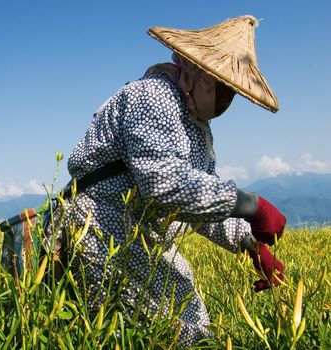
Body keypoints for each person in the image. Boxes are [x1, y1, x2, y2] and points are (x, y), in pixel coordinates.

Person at [62, 16, 286, 347]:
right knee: (166, 335)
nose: (226, 99)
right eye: (221, 85)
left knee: (193, 324)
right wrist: (251, 205)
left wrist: (251, 244)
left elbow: (197, 195)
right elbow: (164, 184)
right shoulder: (153, 97)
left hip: (143, 237)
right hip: (103, 230)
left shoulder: (192, 118)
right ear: (197, 70)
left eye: (233, 90)